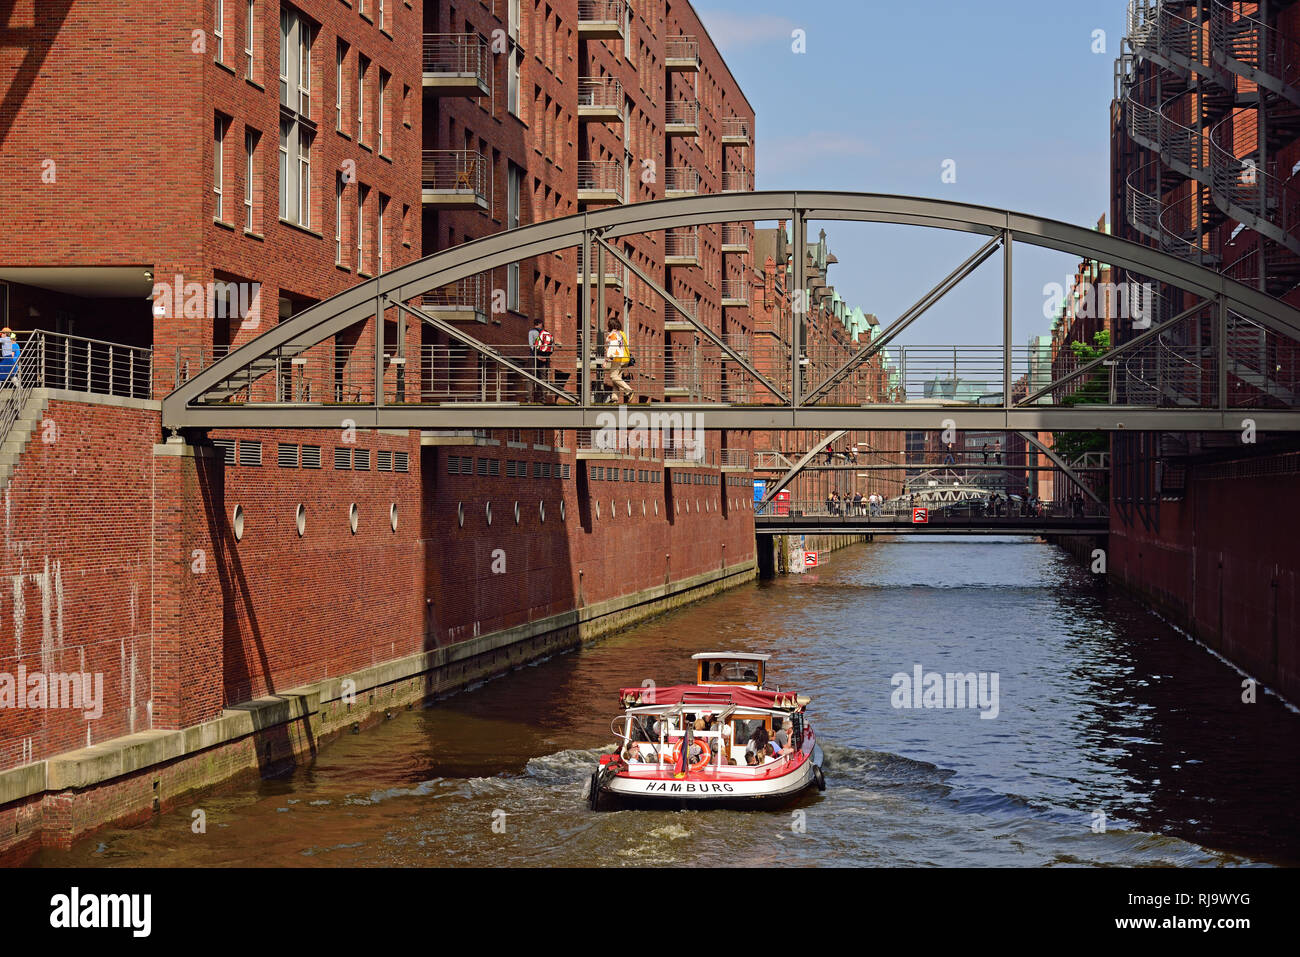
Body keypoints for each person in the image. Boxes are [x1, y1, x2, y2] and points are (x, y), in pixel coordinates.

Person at [603, 317, 634, 404]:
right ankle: (614, 398)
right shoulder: (622, 333)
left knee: (613, 376)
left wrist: (606, 361)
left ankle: (629, 390)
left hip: (618, 359)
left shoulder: (613, 334)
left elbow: (612, 349)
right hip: (626, 358)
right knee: (617, 378)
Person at [528, 317, 555, 402]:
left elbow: (531, 345)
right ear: (541, 324)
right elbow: (551, 345)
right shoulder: (546, 333)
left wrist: (536, 356)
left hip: (534, 357)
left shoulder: (531, 332)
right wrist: (545, 357)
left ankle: (528, 398)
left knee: (530, 377)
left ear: (534, 324)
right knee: (543, 377)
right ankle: (543, 398)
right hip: (544, 358)